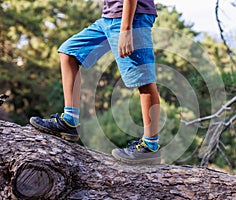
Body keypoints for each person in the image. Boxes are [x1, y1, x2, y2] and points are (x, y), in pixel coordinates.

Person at [30, 0, 161, 165]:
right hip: (109, 17)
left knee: (144, 80)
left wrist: (126, 30)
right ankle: (70, 121)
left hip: (132, 18)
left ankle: (150, 145)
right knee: (69, 52)